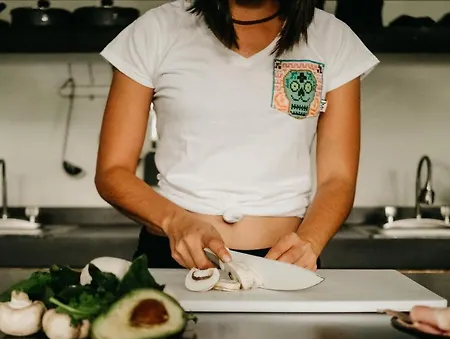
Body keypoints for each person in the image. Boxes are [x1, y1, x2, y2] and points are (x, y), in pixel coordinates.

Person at [95, 0, 379, 271]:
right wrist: (174, 221)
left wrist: (310, 241)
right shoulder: (156, 30)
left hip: (285, 263)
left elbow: (337, 178)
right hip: (174, 255)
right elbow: (113, 171)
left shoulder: (332, 38)